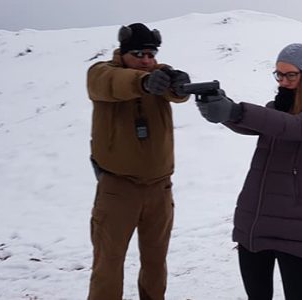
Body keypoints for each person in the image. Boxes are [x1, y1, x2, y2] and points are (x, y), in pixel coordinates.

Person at [196, 43, 302, 299]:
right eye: (279, 75)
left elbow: (292, 127)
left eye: (290, 75)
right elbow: (256, 124)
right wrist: (223, 109)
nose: (283, 81)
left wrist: (237, 110)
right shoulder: (275, 109)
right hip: (255, 221)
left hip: (296, 229)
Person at [86, 23, 191, 300]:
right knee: (108, 264)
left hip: (160, 189)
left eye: (150, 54)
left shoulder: (159, 75)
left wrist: (178, 83)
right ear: (123, 54)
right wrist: (142, 83)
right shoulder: (101, 73)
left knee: (156, 264)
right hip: (118, 189)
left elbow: (176, 93)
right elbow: (112, 84)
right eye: (139, 54)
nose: (146, 60)